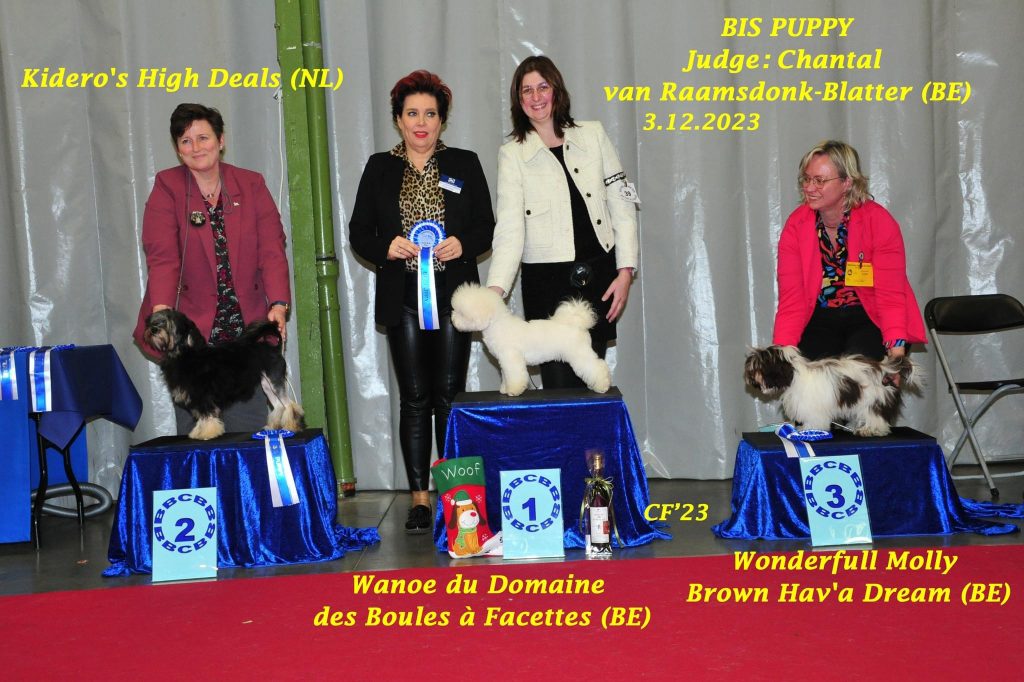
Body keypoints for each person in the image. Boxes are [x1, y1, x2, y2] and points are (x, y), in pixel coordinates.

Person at [349, 70, 495, 534]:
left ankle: (457, 498)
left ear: (442, 121)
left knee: (449, 397)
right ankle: (419, 500)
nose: (421, 122)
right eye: (412, 113)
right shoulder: (379, 167)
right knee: (414, 399)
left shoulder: (465, 163)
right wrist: (385, 246)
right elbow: (358, 232)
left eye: (430, 114)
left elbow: (486, 227)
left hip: (455, 297)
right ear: (398, 119)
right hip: (403, 298)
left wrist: (463, 244)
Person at [133, 103, 292, 434]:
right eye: (186, 141)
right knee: (198, 434)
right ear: (178, 148)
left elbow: (272, 249)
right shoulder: (167, 187)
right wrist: (162, 311)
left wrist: (278, 304)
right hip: (192, 340)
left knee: (247, 433)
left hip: (240, 338)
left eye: (203, 138)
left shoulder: (251, 184)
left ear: (221, 140)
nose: (196, 147)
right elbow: (162, 257)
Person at [486, 55, 639, 389]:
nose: (536, 97)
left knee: (594, 381)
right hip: (546, 283)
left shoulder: (594, 135)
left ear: (556, 90)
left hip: (599, 276)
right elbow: (509, 230)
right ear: (518, 100)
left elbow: (622, 205)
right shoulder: (512, 154)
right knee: (558, 391)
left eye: (543, 87)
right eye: (526, 90)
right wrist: (493, 294)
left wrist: (625, 271)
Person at [772, 140, 926, 368]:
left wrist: (896, 357)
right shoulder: (796, 225)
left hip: (869, 316)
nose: (809, 188)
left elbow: (890, 295)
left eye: (819, 180)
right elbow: (791, 300)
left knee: (860, 374)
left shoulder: (878, 221)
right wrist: (781, 357)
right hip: (820, 317)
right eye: (806, 179)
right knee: (806, 379)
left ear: (847, 182)